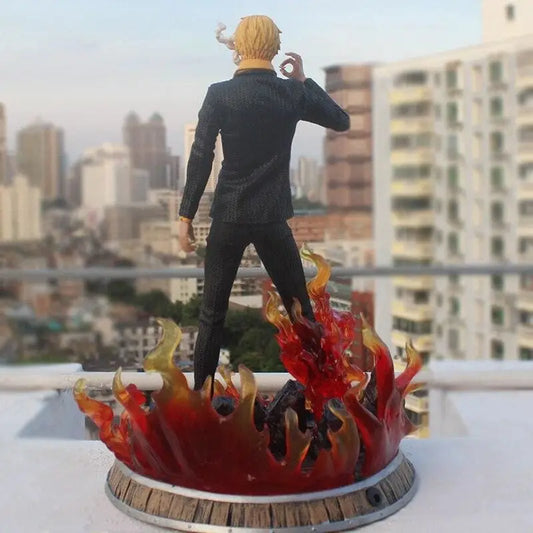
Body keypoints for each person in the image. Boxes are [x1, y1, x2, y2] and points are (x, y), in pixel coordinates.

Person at [178, 15, 350, 391]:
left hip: (228, 215)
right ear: (274, 46)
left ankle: (202, 400)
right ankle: (323, 393)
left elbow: (201, 155)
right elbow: (341, 121)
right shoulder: (291, 93)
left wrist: (185, 215)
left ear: (238, 45)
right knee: (301, 313)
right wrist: (303, 81)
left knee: (211, 315)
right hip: (272, 216)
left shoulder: (219, 94)